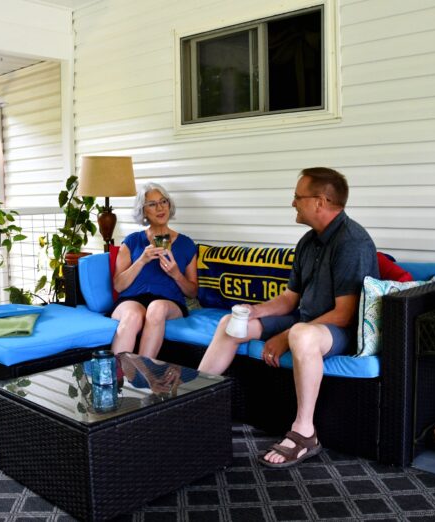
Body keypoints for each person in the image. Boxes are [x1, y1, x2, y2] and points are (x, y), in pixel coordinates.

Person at [198, 167, 379, 468]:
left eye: (297, 197)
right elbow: (289, 298)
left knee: (301, 335)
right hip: (305, 318)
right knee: (230, 325)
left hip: (341, 330)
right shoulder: (308, 241)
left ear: (320, 202)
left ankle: (305, 433)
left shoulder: (353, 243)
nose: (292, 202)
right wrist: (255, 311)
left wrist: (286, 334)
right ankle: (194, 406)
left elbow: (346, 313)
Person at [111, 182, 198, 357]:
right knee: (132, 317)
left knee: (156, 308)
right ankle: (114, 377)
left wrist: (176, 275)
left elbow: (193, 292)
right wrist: (142, 260)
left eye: (163, 201)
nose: (160, 208)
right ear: (143, 211)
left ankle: (143, 373)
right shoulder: (133, 241)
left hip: (169, 302)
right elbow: (119, 286)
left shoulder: (186, 244)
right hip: (132, 299)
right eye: (152, 204)